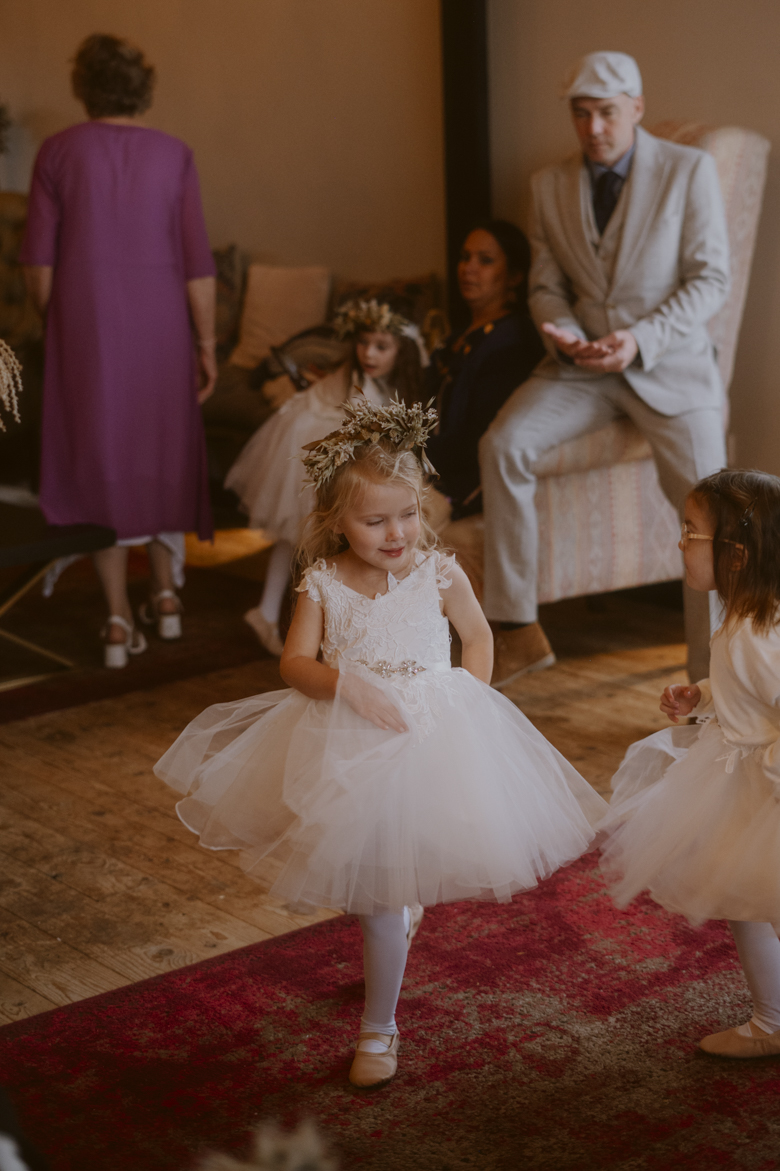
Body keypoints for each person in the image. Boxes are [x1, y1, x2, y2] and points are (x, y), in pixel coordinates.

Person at [154, 398, 607, 1089]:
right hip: (347, 742)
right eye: (375, 521)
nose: (397, 533)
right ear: (336, 520)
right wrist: (347, 687)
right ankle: (396, 918)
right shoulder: (323, 583)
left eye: (408, 514)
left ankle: (379, 1026)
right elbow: (293, 664)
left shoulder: (440, 572)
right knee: (367, 880)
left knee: (381, 892)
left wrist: (468, 703)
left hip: (430, 735)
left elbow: (479, 637)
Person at [479, 51, 730, 689]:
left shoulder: (689, 170)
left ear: (636, 109)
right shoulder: (547, 185)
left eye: (608, 113)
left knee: (712, 508)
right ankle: (516, 629)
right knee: (503, 444)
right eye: (582, 114)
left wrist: (639, 340)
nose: (594, 128)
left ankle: (713, 681)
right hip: (582, 368)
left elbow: (711, 280)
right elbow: (544, 285)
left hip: (671, 367)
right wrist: (563, 333)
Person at [20, 34, 216, 669]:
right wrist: (207, 344)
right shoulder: (175, 155)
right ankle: (166, 597)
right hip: (163, 329)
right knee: (159, 453)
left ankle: (114, 619)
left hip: (86, 326)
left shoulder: (57, 152)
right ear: (142, 88)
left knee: (98, 459)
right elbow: (198, 264)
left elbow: (38, 267)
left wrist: (58, 323)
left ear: (85, 86)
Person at [600, 469, 780, 1057]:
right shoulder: (748, 618)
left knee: (759, 900)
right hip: (743, 781)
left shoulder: (754, 634)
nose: (679, 542)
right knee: (744, 898)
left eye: (689, 531)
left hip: (765, 790)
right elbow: (749, 691)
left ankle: (771, 1021)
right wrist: (702, 695)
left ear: (735, 555)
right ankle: (771, 1019)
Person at [225, 298, 427, 656]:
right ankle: (305, 619)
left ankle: (271, 612)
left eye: (381, 346)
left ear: (403, 351)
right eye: (363, 343)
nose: (369, 353)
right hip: (313, 446)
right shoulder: (362, 383)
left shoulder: (377, 381)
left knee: (296, 535)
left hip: (324, 440)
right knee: (306, 534)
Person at [426, 219, 544, 518]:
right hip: (430, 464)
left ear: (514, 276)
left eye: (485, 260)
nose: (468, 268)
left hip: (467, 480)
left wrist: (408, 458)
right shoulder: (456, 338)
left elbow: (477, 441)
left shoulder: (511, 341)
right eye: (465, 257)